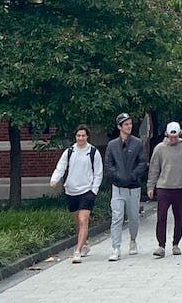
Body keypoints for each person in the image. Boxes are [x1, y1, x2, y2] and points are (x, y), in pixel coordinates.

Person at [49, 124, 103, 263]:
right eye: (78, 135)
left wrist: (94, 190)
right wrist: (54, 179)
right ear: (75, 136)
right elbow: (60, 167)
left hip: (87, 191)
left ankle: (77, 251)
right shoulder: (69, 152)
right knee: (77, 222)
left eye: (83, 135)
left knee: (83, 219)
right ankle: (84, 243)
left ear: (87, 136)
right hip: (71, 190)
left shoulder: (93, 152)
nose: (81, 138)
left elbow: (98, 173)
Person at [146, 121, 182, 258]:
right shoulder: (159, 148)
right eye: (171, 136)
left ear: (179, 134)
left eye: (175, 136)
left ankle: (176, 243)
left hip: (179, 187)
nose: (173, 138)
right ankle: (161, 245)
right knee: (161, 217)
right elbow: (154, 168)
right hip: (163, 187)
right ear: (166, 134)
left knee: (179, 217)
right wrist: (151, 186)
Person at [105, 112, 147, 261]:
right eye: (126, 124)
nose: (129, 126)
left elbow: (142, 162)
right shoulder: (112, 145)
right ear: (119, 127)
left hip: (133, 187)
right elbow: (108, 165)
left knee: (134, 217)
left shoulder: (137, 143)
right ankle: (116, 247)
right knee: (117, 217)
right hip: (117, 187)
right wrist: (116, 176)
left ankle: (133, 239)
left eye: (130, 124)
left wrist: (134, 176)